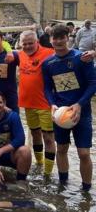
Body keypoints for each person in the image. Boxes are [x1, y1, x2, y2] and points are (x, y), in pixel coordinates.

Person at [42, 24, 96, 191]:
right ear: (50, 40)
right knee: (62, 148)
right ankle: (63, 184)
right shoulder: (47, 64)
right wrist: (52, 105)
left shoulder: (82, 58)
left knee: (84, 153)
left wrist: (79, 104)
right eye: (55, 38)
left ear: (68, 37)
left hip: (82, 112)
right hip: (61, 114)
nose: (58, 41)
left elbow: (93, 83)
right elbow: (47, 88)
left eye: (61, 37)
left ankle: (86, 191)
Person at [18, 30, 56, 176]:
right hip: (28, 104)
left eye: (30, 43)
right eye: (24, 44)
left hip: (46, 104)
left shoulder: (49, 53)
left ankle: (48, 173)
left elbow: (67, 54)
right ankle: (39, 164)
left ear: (37, 42)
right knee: (35, 134)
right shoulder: (20, 54)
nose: (27, 46)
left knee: (48, 138)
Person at [0, 91, 32, 183]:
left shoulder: (13, 116)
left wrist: (0, 151)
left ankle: (21, 181)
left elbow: (20, 139)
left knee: (25, 151)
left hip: (8, 154)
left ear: (4, 103)